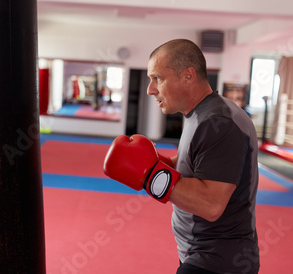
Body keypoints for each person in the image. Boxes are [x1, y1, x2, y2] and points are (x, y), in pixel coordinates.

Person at [104, 39, 260, 274]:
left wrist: (149, 175)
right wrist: (156, 162)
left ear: (188, 76)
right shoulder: (199, 114)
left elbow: (211, 205)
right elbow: (192, 164)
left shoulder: (219, 123)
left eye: (158, 78)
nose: (150, 89)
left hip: (218, 261)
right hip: (200, 253)